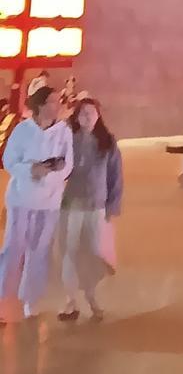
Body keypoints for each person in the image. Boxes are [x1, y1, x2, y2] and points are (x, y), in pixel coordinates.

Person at [0, 85, 74, 321]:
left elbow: (68, 164)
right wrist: (31, 170)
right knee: (13, 248)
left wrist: (51, 173)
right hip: (21, 199)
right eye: (52, 102)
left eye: (59, 101)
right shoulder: (22, 130)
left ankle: (30, 300)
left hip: (49, 202)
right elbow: (9, 160)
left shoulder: (63, 132)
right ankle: (2, 296)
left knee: (39, 251)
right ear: (40, 105)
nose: (57, 106)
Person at [56, 97, 124, 323]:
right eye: (83, 113)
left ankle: (92, 297)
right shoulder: (67, 140)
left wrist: (112, 205)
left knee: (94, 254)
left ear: (98, 116)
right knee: (69, 252)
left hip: (96, 206)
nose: (87, 117)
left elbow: (115, 175)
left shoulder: (107, 142)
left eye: (91, 113)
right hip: (71, 205)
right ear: (76, 116)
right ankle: (70, 301)